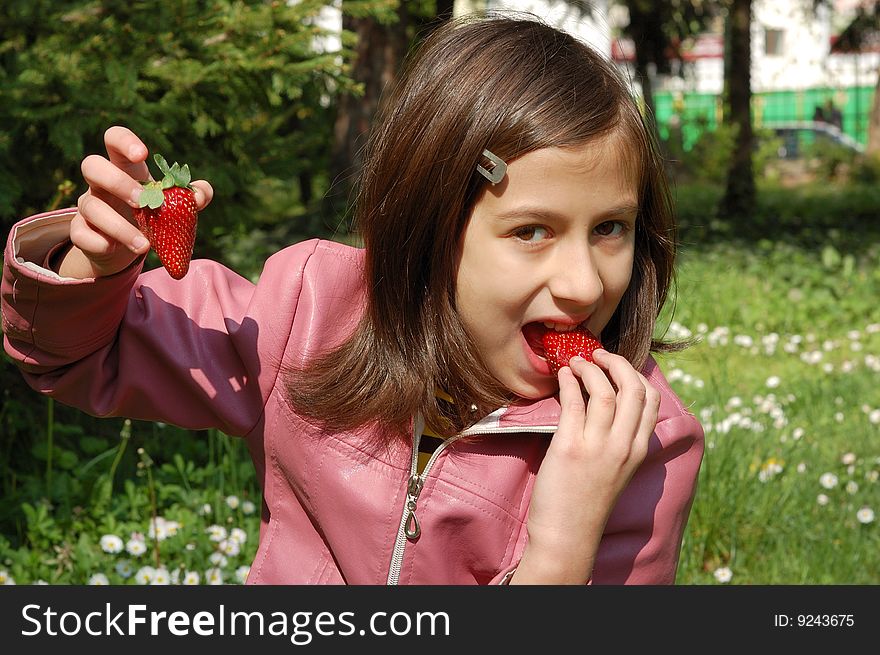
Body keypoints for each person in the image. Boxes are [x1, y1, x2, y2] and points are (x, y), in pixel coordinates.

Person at [1, 15, 704, 585]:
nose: (583, 283)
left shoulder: (640, 442)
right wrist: (92, 263)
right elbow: (71, 355)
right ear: (428, 227)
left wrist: (561, 546)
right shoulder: (305, 315)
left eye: (610, 227)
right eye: (531, 231)